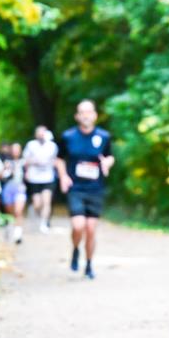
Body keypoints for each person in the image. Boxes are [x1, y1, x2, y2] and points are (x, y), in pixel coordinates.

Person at [55, 100, 114, 280]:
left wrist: (107, 163)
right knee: (78, 225)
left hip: (95, 188)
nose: (86, 115)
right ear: (77, 116)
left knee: (90, 229)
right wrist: (63, 176)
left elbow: (110, 156)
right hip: (76, 188)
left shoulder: (104, 136)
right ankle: (75, 249)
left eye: (89, 112)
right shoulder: (68, 136)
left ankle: (88, 264)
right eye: (82, 112)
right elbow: (59, 159)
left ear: (95, 115)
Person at [23, 125, 59, 234]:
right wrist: (32, 164)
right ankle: (34, 211)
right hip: (34, 178)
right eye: (39, 133)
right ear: (36, 134)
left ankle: (44, 224)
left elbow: (57, 160)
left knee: (46, 201)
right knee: (37, 203)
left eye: (43, 133)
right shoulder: (31, 145)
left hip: (48, 178)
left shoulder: (52, 146)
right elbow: (25, 160)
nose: (41, 135)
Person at [1, 142, 27, 243]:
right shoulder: (6, 162)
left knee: (18, 211)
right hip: (8, 188)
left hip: (20, 188)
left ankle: (18, 234)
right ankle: (9, 228)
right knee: (10, 212)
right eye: (14, 149)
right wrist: (7, 170)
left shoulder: (24, 162)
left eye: (17, 149)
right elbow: (2, 176)